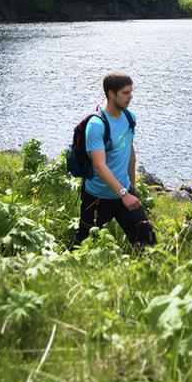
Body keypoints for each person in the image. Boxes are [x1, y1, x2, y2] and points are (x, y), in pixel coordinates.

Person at [71, 71, 156, 249]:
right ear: (111, 93)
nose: (130, 97)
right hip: (97, 197)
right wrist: (124, 194)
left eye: (131, 92)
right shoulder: (96, 125)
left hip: (124, 192)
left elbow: (129, 150)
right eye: (125, 93)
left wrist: (131, 186)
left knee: (147, 240)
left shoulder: (129, 117)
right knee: (83, 245)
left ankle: (149, 274)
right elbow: (99, 166)